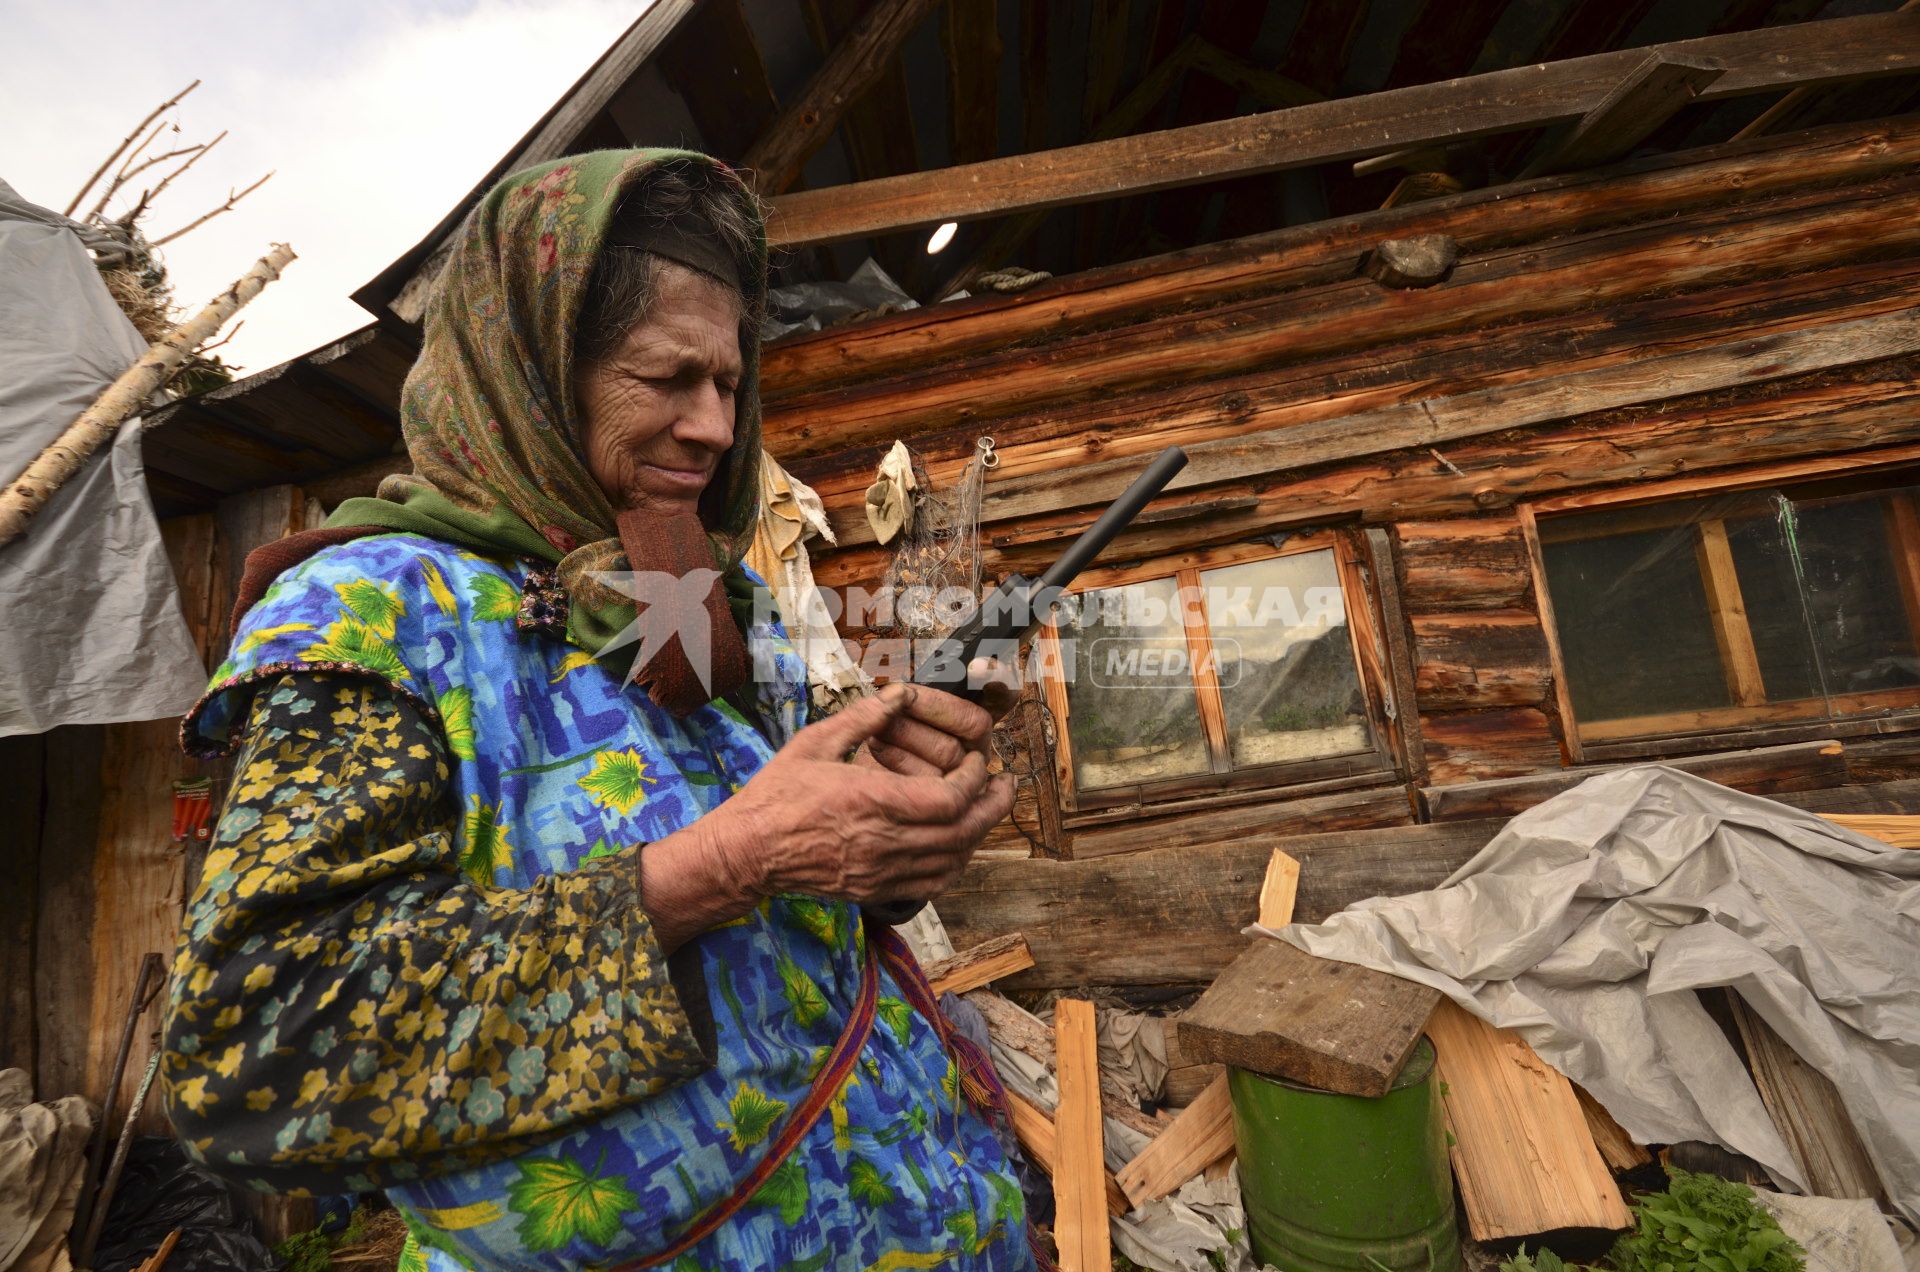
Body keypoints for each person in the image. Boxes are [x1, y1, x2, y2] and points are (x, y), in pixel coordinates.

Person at [163, 150, 1035, 1271]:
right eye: (667, 379)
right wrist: (729, 861)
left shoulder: (691, 591)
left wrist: (887, 837)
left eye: (727, 383)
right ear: (532, 374)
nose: (717, 427)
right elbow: (258, 1055)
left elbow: (800, 907)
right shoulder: (376, 615)